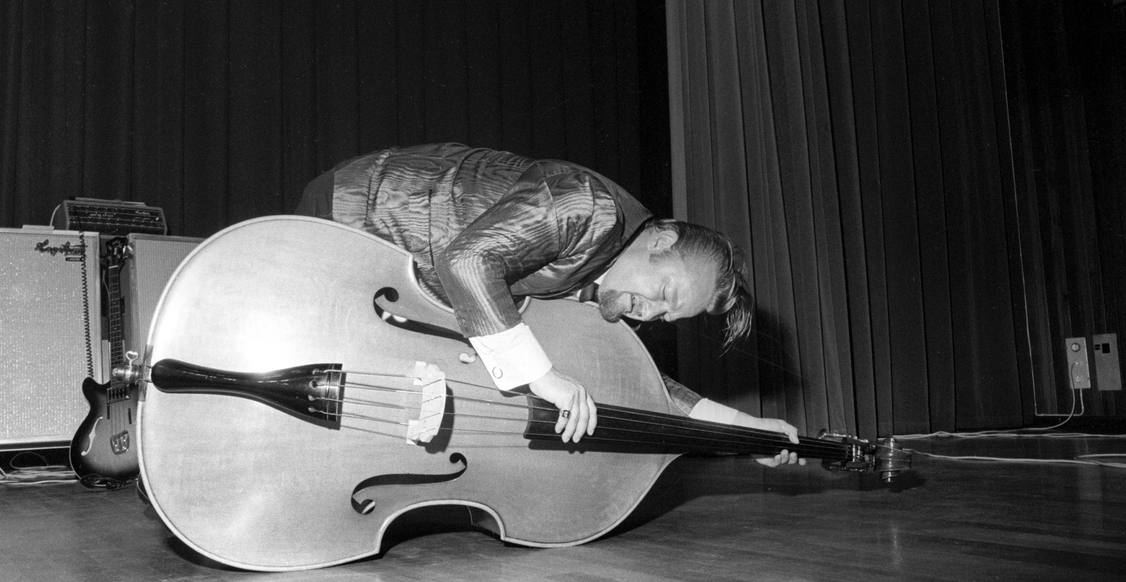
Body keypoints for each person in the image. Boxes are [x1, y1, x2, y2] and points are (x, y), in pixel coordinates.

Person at [296, 142, 803, 467]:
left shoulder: (605, 285)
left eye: (668, 315)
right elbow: (469, 261)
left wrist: (746, 429)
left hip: (398, 275)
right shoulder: (587, 207)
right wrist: (542, 376)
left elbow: (640, 384)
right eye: (665, 293)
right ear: (661, 239)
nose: (651, 313)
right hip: (353, 216)